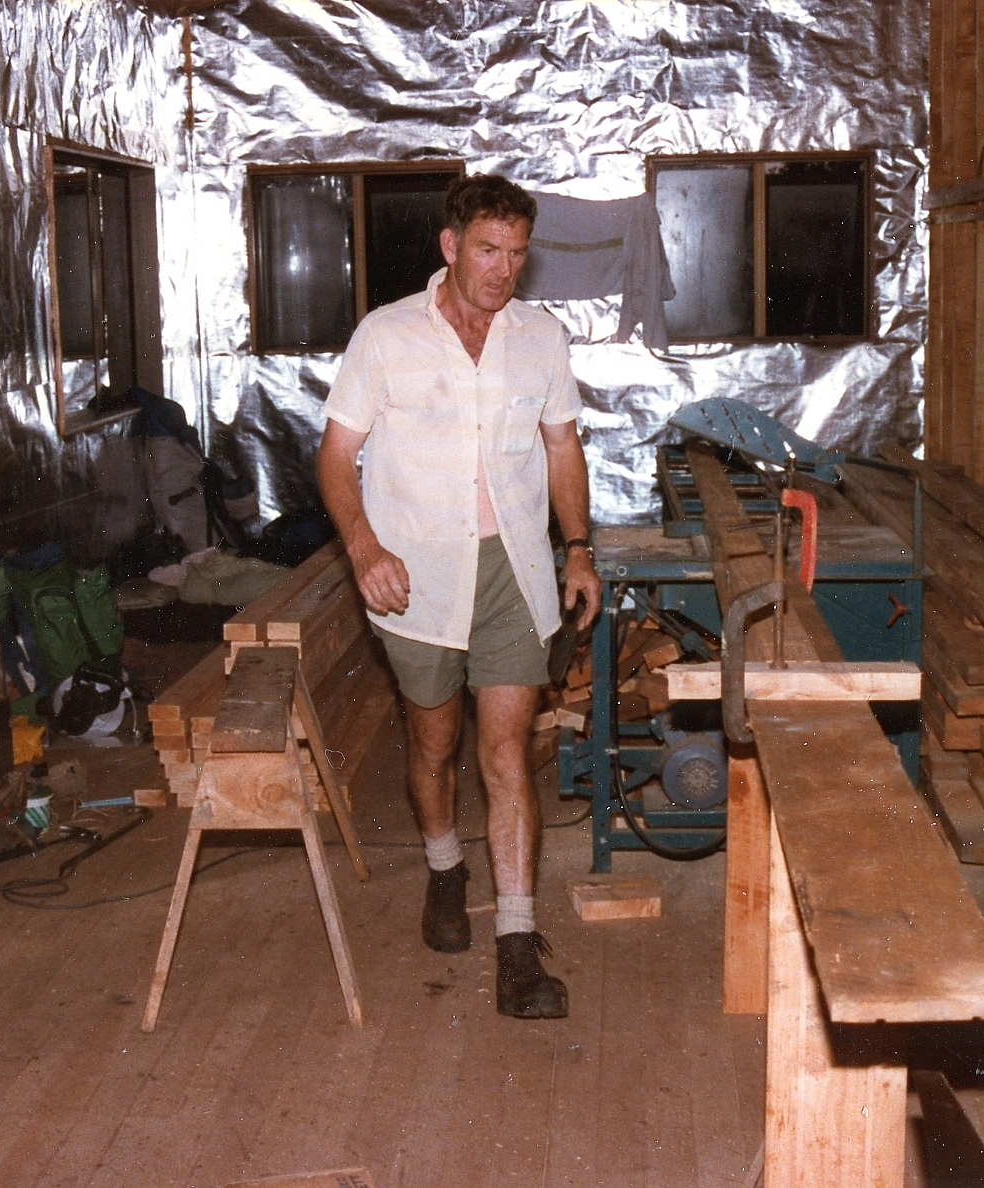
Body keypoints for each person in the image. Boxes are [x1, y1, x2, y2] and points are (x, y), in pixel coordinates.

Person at [317, 174, 602, 1019]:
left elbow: (561, 449)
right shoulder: (385, 336)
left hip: (512, 571)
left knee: (506, 754)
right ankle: (445, 868)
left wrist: (577, 550)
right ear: (450, 246)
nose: (501, 270)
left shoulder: (538, 338)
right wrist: (362, 547)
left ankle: (517, 943)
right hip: (416, 575)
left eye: (516, 254)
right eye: (486, 250)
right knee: (434, 740)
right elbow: (336, 458)